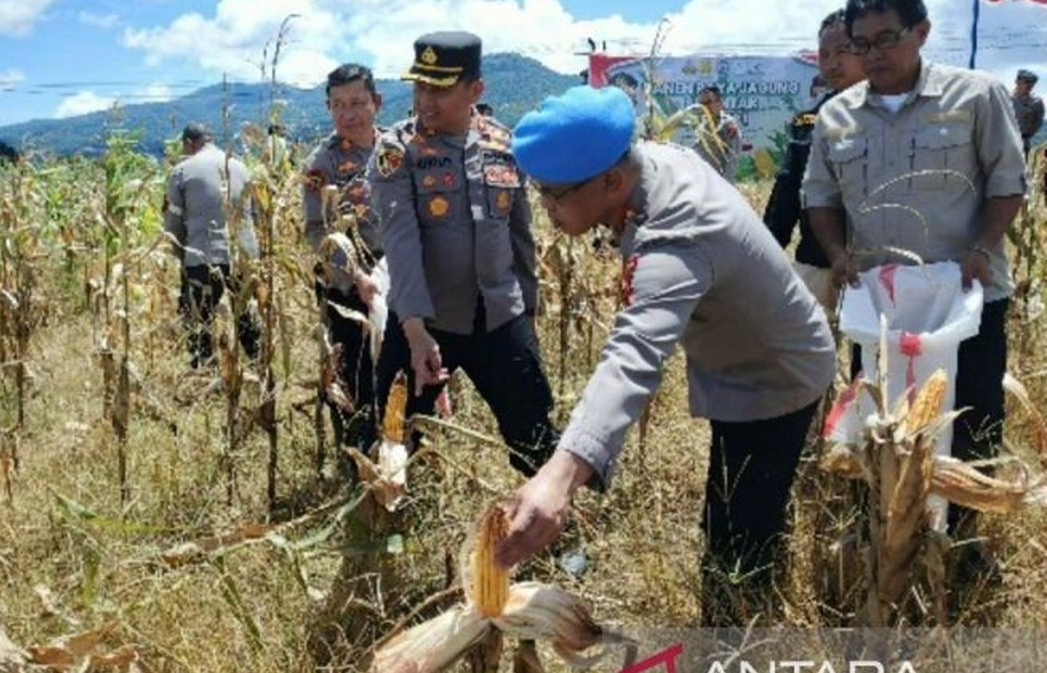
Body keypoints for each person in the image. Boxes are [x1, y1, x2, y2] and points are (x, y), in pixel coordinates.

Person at [495, 85, 836, 626]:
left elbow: (632, 357)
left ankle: (736, 636)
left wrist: (558, 476)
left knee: (741, 535)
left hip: (774, 376)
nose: (546, 210)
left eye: (554, 195)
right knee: (733, 508)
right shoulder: (650, 162)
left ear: (610, 181)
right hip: (745, 357)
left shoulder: (675, 236)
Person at [802, 0, 1027, 580]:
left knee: (972, 422)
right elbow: (820, 198)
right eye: (861, 44)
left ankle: (963, 550)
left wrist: (982, 247)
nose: (874, 54)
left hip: (965, 300)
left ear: (922, 32)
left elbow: (1009, 183)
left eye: (887, 39)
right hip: (881, 308)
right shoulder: (836, 117)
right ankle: (880, 538)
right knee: (877, 422)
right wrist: (836, 252)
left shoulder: (974, 97)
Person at [369, 31, 557, 475]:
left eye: (441, 89)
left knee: (533, 433)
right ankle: (390, 522)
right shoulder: (397, 150)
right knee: (395, 432)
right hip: (426, 319)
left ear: (476, 90)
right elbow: (401, 240)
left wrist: (527, 311)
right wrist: (415, 331)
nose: (425, 100)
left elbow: (520, 235)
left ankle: (551, 522)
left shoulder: (503, 144)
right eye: (420, 86)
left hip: (498, 314)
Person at [301, 63, 385, 452]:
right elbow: (317, 231)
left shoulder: (395, 148)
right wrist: (355, 277)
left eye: (357, 102)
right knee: (354, 372)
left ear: (376, 103)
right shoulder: (323, 162)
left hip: (397, 277)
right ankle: (356, 453)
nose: (348, 114)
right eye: (337, 105)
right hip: (348, 285)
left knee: (397, 367)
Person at [763, 9, 867, 315]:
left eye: (843, 51)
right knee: (810, 352)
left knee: (875, 355)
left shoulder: (893, 117)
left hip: (877, 266)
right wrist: (764, 252)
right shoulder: (807, 121)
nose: (832, 63)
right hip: (817, 261)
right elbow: (787, 192)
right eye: (824, 54)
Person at [164, 123, 261, 368]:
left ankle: (204, 374)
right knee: (246, 316)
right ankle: (259, 367)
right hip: (243, 255)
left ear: (188, 143)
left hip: (202, 255)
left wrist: (181, 255)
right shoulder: (241, 167)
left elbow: (173, 224)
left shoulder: (182, 170)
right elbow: (256, 215)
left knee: (198, 320)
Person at [691, 84, 744, 180]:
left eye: (708, 102)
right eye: (701, 104)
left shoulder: (728, 125)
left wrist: (724, 185)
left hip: (717, 183)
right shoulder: (701, 124)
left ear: (719, 103)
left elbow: (733, 159)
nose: (704, 107)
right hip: (701, 181)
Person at [1013, 69, 1043, 158]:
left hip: (1023, 140)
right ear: (1017, 81)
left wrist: (1027, 134)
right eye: (1027, 81)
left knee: (1021, 169)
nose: (1030, 85)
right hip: (1005, 140)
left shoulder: (1036, 102)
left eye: (1033, 82)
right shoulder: (1005, 98)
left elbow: (1038, 122)